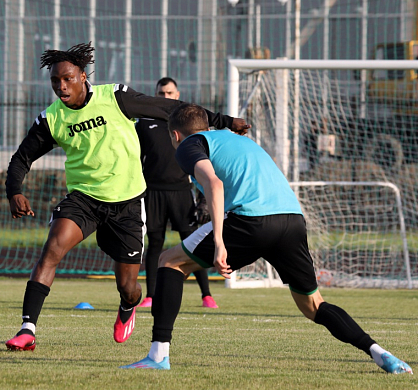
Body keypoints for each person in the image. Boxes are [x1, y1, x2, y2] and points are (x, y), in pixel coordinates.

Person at [121, 103, 413, 374]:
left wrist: (220, 241)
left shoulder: (189, 145)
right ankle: (379, 352)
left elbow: (214, 183)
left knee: (170, 261)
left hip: (252, 220)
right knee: (314, 306)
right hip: (292, 220)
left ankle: (158, 356)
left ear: (175, 134)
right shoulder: (237, 140)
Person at [4, 43, 249, 351]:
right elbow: (21, 158)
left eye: (67, 78)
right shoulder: (51, 119)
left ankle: (128, 305)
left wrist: (224, 121)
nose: (61, 86)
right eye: (55, 81)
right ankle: (27, 329)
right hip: (84, 200)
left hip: (128, 205)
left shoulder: (116, 97)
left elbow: (172, 109)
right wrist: (14, 190)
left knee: (128, 286)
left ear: (83, 76)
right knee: (52, 250)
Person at [136, 77, 220, 309]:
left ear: (177, 95)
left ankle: (206, 295)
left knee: (191, 241)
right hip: (153, 193)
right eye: (161, 93)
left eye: (169, 93)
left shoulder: (186, 122)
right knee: (155, 243)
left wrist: (202, 196)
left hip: (182, 192)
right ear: (155, 95)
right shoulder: (144, 123)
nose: (165, 97)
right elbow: (135, 158)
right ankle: (151, 296)